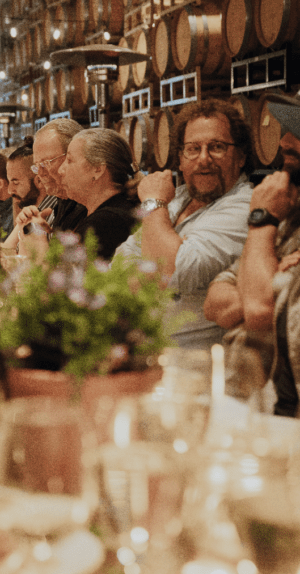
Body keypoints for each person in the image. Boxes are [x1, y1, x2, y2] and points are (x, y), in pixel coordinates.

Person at [117, 98, 253, 350]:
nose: (203, 159)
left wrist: (154, 202)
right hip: (146, 353)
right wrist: (154, 209)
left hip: (195, 367)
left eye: (217, 147)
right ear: (180, 159)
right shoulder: (176, 197)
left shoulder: (245, 206)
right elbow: (120, 260)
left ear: (241, 156)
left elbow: (173, 272)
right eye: (193, 148)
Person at [204, 93, 300, 413]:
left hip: (281, 408)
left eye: (298, 132)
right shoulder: (289, 211)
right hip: (245, 402)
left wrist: (261, 221)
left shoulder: (270, 210)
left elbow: (258, 309)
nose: (285, 141)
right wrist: (265, 282)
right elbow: (215, 300)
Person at [58, 128, 140, 259]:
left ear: (98, 169)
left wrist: (37, 238)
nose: (60, 170)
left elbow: (62, 275)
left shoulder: (106, 223)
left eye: (69, 160)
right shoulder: (91, 214)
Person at [13, 118, 85, 237]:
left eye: (46, 163)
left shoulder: (88, 207)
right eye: (37, 165)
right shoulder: (60, 202)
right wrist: (26, 227)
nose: (40, 173)